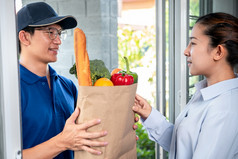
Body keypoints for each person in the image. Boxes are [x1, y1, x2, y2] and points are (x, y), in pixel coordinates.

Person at [133, 12, 238, 159]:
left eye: (193, 43)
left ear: (218, 52)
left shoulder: (225, 108)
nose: (186, 51)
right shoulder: (206, 93)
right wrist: (150, 115)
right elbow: (183, 147)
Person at [17, 2, 108, 158]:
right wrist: (62, 142)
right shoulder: (11, 90)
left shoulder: (67, 86)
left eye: (59, 33)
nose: (58, 41)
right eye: (50, 32)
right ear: (25, 37)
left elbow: (85, 134)